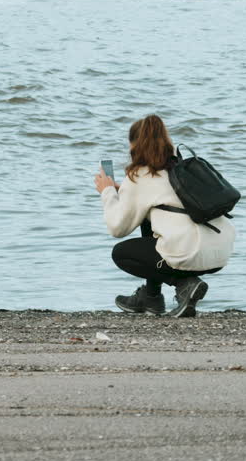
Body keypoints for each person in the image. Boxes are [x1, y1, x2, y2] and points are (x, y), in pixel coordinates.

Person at [92, 115, 235, 317]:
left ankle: (184, 285)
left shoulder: (141, 176)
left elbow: (117, 228)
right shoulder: (181, 167)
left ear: (134, 145)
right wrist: (123, 191)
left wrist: (107, 192)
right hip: (220, 253)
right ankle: (151, 297)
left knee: (122, 253)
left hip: (188, 253)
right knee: (149, 218)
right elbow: (163, 198)